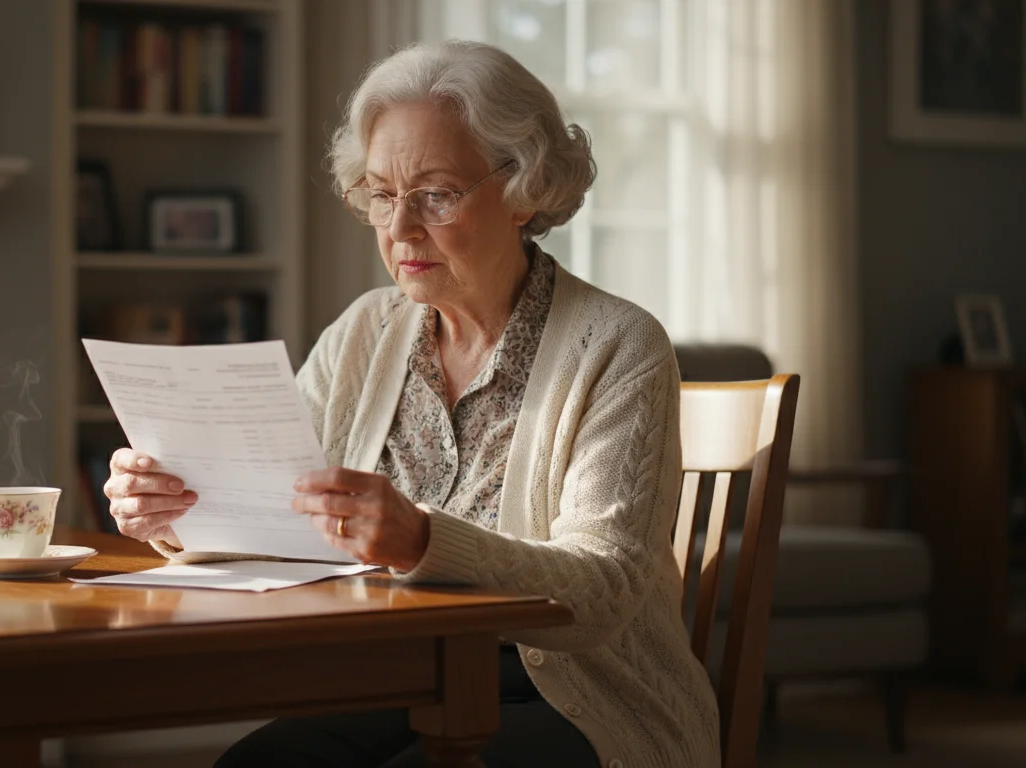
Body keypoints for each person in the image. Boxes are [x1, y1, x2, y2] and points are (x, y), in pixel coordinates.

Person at [104, 40, 719, 768]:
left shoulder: (617, 344)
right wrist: (175, 514)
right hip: (387, 678)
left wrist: (422, 543)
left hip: (576, 696)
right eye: (380, 194)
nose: (399, 229)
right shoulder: (365, 330)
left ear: (525, 189)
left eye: (436, 194)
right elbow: (280, 516)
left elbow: (605, 589)